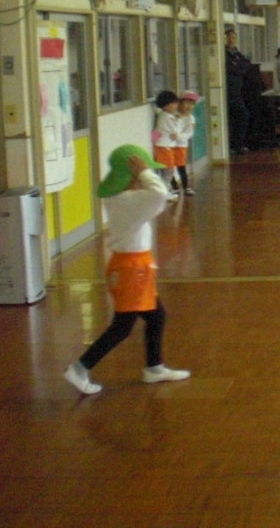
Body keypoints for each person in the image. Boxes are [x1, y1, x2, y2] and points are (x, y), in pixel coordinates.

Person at [63, 145, 190, 395]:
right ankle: (79, 368)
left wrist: (140, 174)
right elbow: (160, 195)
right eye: (140, 174)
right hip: (132, 270)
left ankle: (154, 367)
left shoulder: (119, 198)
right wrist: (145, 173)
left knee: (156, 316)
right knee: (123, 325)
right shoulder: (129, 202)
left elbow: (154, 196)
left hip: (132, 266)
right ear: (132, 174)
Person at [223, 29, 251, 155]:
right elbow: (230, 68)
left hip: (238, 91)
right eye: (229, 37)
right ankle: (232, 146)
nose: (231, 40)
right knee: (234, 118)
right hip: (228, 92)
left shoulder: (238, 54)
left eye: (233, 37)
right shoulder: (223, 54)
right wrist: (238, 69)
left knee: (242, 116)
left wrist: (238, 69)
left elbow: (247, 65)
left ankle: (238, 144)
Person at [152, 90, 181, 202]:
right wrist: (178, 120)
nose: (176, 105)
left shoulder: (164, 115)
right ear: (167, 105)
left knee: (167, 171)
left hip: (163, 147)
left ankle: (165, 190)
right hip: (164, 148)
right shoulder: (166, 117)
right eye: (174, 103)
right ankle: (163, 193)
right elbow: (175, 132)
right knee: (168, 171)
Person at [173, 90, 199, 196]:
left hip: (181, 145)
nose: (189, 106)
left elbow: (190, 133)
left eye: (192, 104)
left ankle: (185, 187)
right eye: (186, 103)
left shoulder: (191, 118)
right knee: (169, 166)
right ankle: (174, 186)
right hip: (168, 145)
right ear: (179, 103)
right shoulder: (172, 115)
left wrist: (179, 137)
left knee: (181, 166)